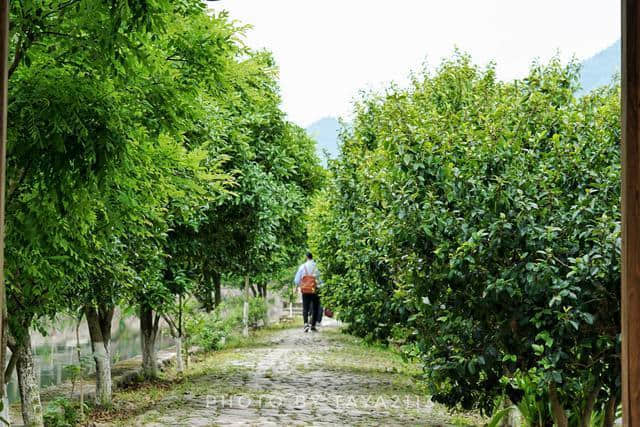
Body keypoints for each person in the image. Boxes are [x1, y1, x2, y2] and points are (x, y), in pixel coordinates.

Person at [294, 252, 322, 332]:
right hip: (315, 290)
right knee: (315, 308)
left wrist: (299, 286)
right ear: (312, 258)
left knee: (305, 307)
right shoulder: (317, 267)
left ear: (306, 257)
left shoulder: (302, 267)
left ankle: (306, 324)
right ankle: (313, 325)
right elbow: (321, 280)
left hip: (305, 290)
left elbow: (296, 280)